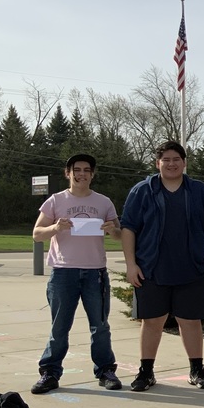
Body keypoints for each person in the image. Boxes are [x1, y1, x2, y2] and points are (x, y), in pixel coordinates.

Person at [121, 141, 204, 392]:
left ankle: (197, 370)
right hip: (151, 269)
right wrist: (131, 264)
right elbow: (128, 228)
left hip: (193, 269)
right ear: (158, 163)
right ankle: (146, 372)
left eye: (176, 159)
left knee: (190, 321)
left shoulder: (200, 191)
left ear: (184, 162)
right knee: (152, 321)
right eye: (166, 159)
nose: (171, 163)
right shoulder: (141, 191)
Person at [31, 153, 122, 394]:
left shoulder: (104, 202)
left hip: (95, 273)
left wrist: (113, 229)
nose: (81, 174)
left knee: (100, 325)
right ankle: (50, 372)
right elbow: (37, 234)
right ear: (68, 173)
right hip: (63, 273)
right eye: (77, 170)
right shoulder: (55, 201)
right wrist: (55, 227)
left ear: (92, 174)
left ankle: (105, 371)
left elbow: (120, 235)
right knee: (59, 326)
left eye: (86, 170)